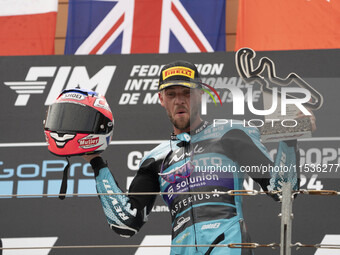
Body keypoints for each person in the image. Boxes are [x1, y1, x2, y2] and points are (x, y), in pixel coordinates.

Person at [83, 60, 311, 255]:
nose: (179, 100)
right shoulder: (154, 159)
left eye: (187, 93)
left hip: (230, 247)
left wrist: (290, 139)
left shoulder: (230, 133)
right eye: (171, 94)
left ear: (201, 94)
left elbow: (282, 188)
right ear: (161, 99)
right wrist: (96, 162)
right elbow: (125, 223)